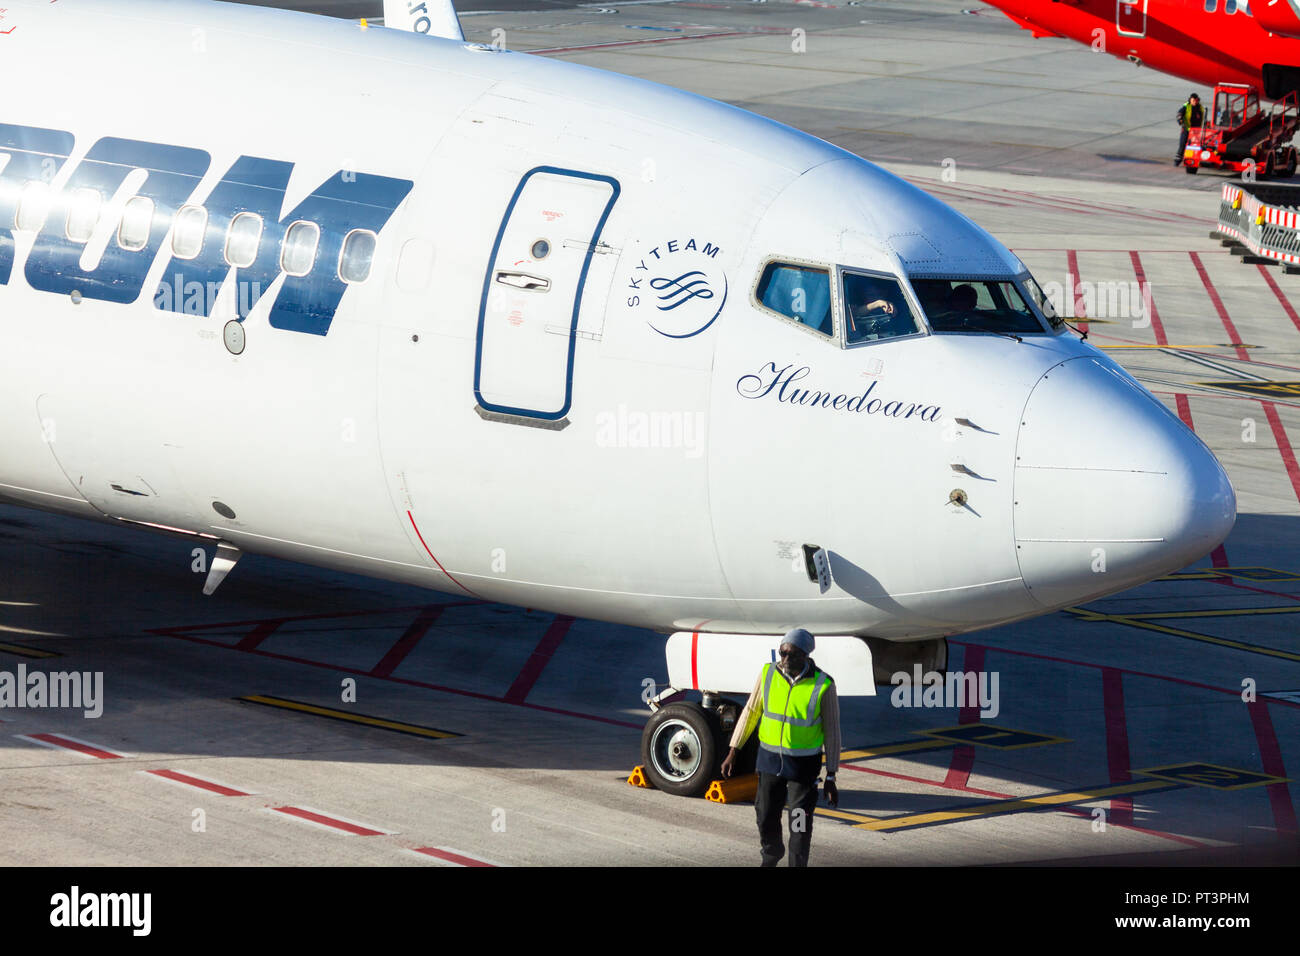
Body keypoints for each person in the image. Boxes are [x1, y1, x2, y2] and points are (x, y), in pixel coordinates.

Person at [720, 627, 840, 867]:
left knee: (799, 822)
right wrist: (734, 749)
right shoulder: (768, 673)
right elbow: (752, 711)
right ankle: (772, 854)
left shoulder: (823, 684)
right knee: (765, 814)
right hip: (769, 760)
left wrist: (831, 775)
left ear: (805, 656)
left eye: (791, 655)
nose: (784, 660)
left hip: (803, 766)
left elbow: (832, 730)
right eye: (782, 653)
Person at [1176, 92, 1204, 166]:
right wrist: (1180, 120)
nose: (1194, 102)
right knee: (1182, 144)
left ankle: (1195, 159)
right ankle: (1177, 160)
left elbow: (1202, 117)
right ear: (1190, 100)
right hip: (1187, 129)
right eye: (1193, 101)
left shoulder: (1200, 107)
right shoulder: (1186, 106)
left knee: (1196, 146)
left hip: (1196, 131)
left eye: (1196, 101)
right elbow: (1179, 114)